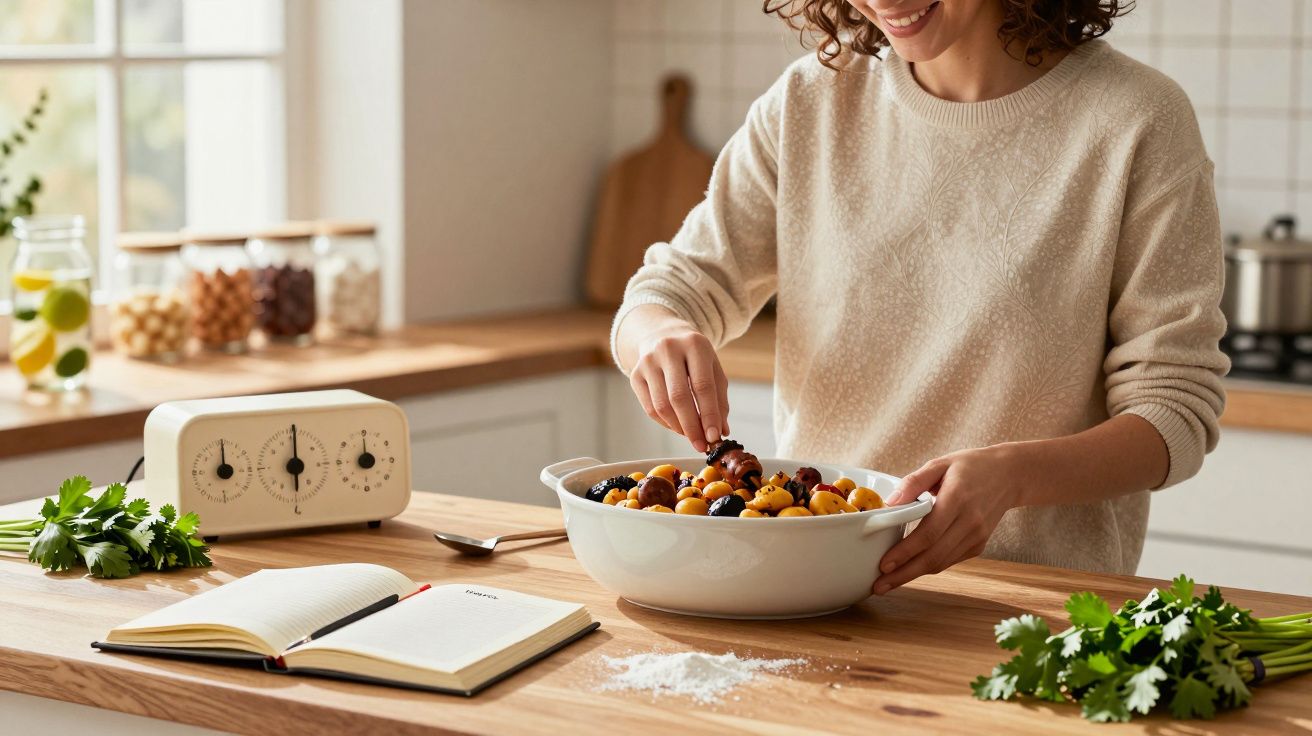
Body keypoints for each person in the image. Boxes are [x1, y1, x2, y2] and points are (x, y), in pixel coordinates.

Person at [610, 0, 1229, 595]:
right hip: (809, 584)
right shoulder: (809, 102)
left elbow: (1174, 412)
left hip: (1027, 604)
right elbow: (669, 291)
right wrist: (658, 333)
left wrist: (1013, 478)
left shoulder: (1136, 119)